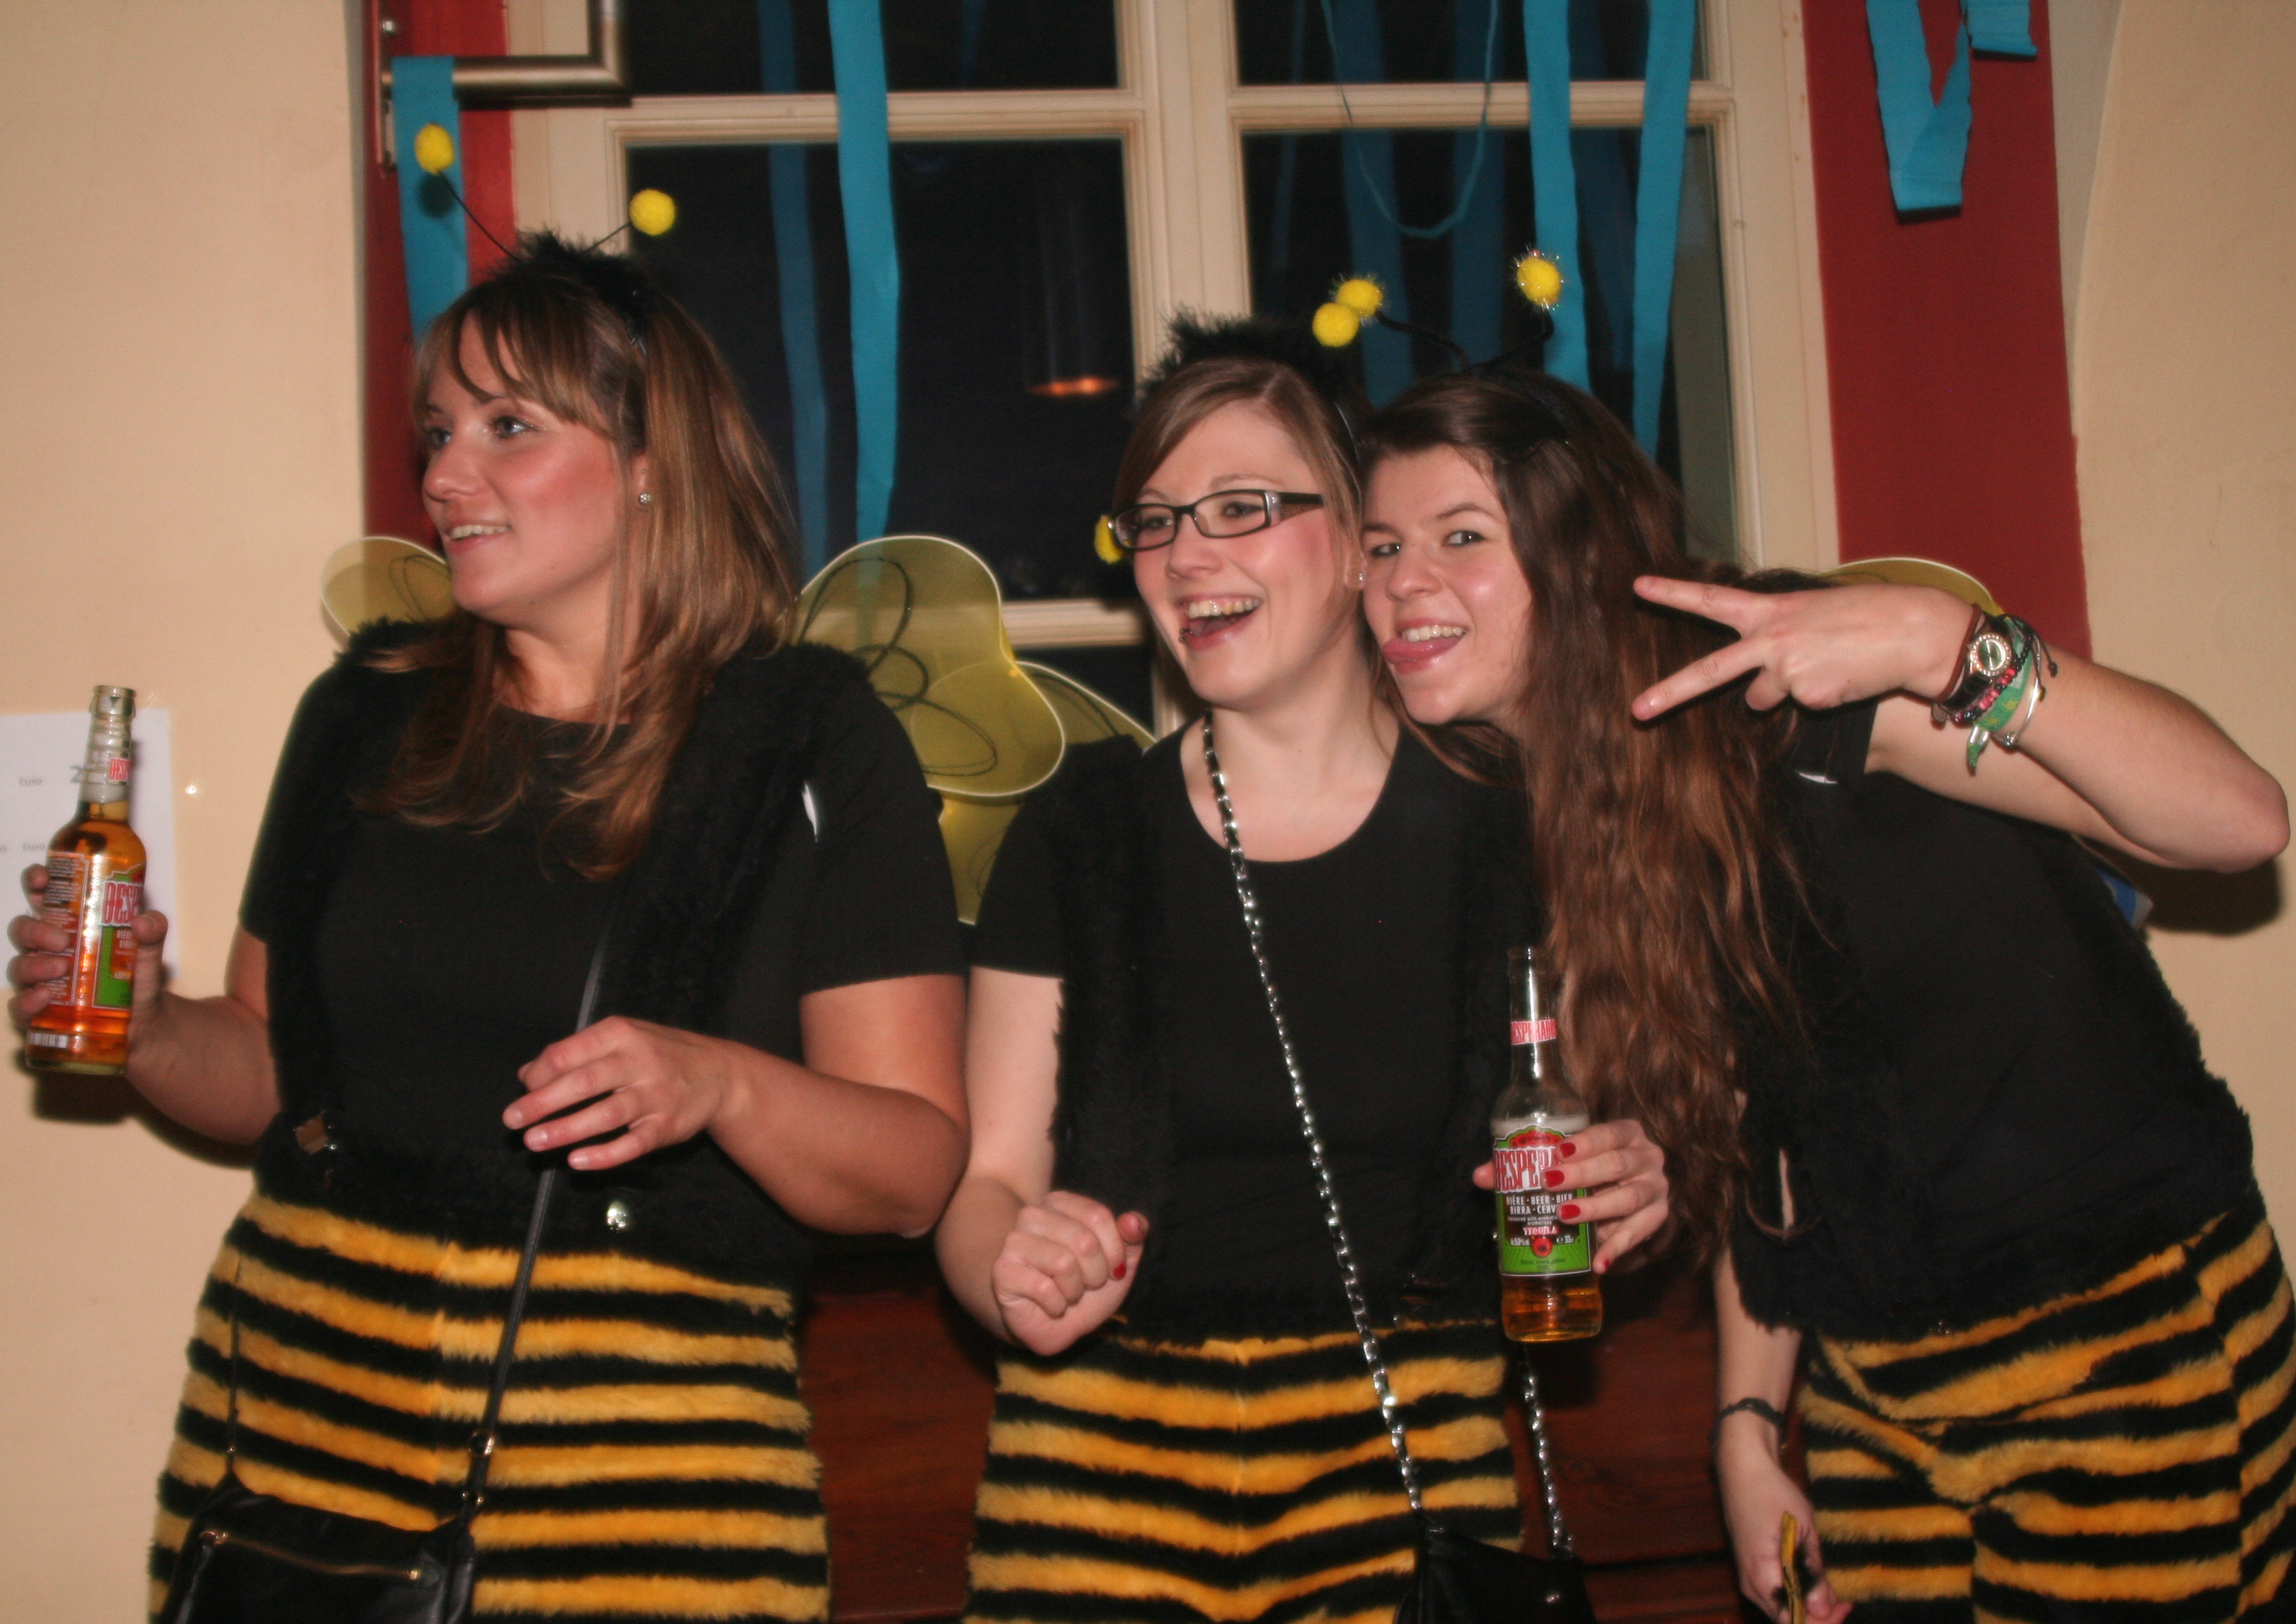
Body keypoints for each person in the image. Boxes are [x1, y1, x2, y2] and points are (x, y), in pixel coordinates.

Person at [8, 236, 969, 1623]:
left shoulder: (807, 739)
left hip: (650, 1485)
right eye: (439, 433)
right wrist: (146, 1026)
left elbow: (912, 1174)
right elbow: (270, 1069)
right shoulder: (365, 712)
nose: (449, 477)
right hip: (304, 1449)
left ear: (651, 460)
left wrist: (720, 1084)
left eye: (509, 427)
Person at [1357, 369, 2296, 1624]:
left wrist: (1948, 644)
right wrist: (1745, 1426)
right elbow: (1773, 1135)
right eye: (1381, 547)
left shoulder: (1776, 682)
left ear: (1582, 550)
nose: (1404, 581)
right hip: (1876, 1383)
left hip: (2118, 1328)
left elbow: (2236, 821)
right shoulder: (1550, 816)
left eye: (1460, 537)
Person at [932, 321, 1672, 1624]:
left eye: (1241, 508)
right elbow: (986, 1183)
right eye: (1154, 521)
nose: (1185, 555)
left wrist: (1634, 1178)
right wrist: (1013, 1274)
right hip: (1096, 1491)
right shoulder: (1081, 831)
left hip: (1404, 1499)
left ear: (1356, 540)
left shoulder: (1513, 829)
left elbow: (1599, 1134)